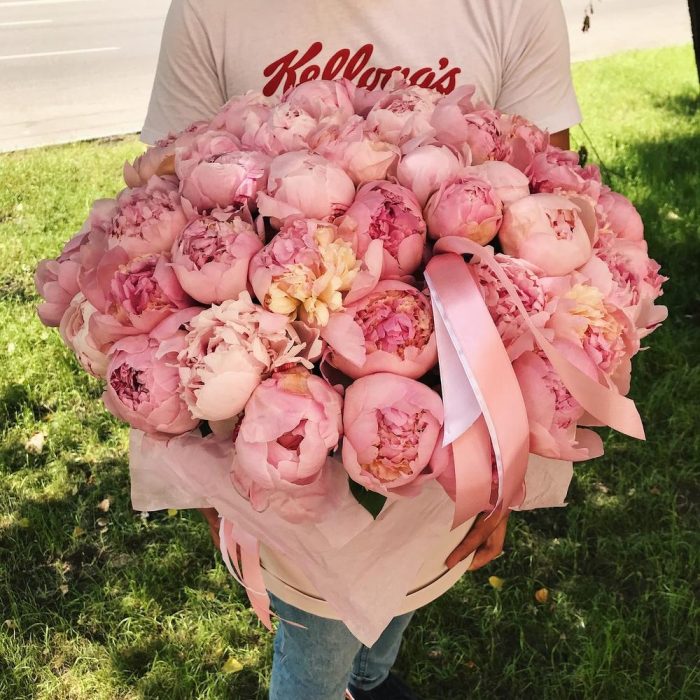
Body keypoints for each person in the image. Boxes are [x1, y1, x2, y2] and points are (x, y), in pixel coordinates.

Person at [141, 2, 581, 698]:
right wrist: (206, 466)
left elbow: (555, 211)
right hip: (282, 442)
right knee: (316, 646)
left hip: (454, 424)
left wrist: (508, 454)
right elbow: (161, 200)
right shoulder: (210, 10)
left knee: (406, 589)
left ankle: (370, 679)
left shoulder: (517, 6)